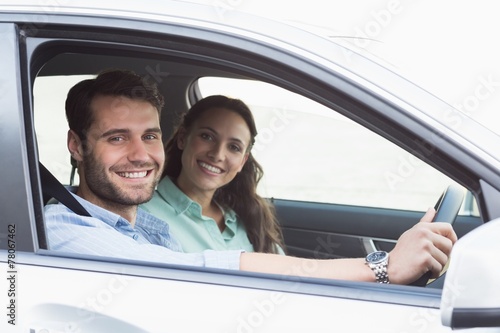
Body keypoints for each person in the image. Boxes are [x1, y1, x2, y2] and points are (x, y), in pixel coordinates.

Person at [44, 69, 457, 285]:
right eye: (116, 138)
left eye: (149, 135)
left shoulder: (142, 224)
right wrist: (381, 268)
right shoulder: (63, 229)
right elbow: (201, 270)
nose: (140, 154)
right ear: (76, 146)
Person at [141, 95, 285, 254]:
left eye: (234, 147)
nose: (217, 154)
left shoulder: (248, 218)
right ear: (182, 138)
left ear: (242, 162)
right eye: (207, 137)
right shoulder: (144, 213)